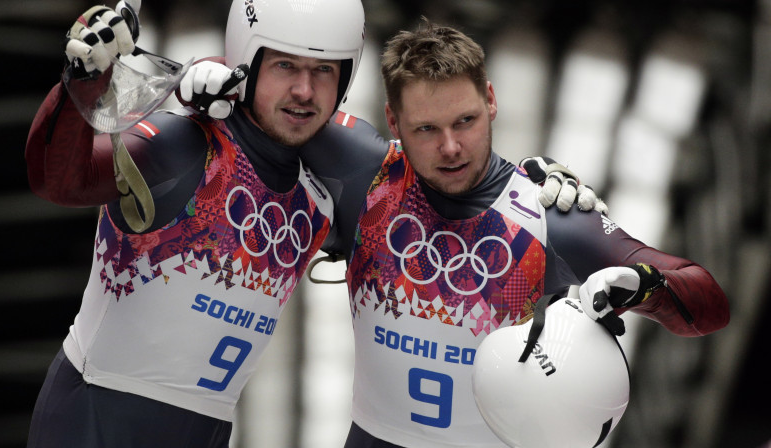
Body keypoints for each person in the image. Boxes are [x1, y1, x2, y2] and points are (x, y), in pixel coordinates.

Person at [186, 20, 729, 447]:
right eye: (427, 129)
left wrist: (643, 287)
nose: (450, 147)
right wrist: (204, 75)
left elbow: (708, 302)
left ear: (491, 101)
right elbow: (267, 100)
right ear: (395, 125)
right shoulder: (361, 172)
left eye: (465, 121)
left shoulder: (549, 213)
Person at [23, 1, 364, 446]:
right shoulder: (184, 143)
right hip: (98, 416)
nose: (303, 89)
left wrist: (213, 67)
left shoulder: (321, 192)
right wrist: (82, 84)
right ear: (250, 59)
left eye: (323, 70)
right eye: (284, 65)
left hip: (208, 430)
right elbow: (58, 183)